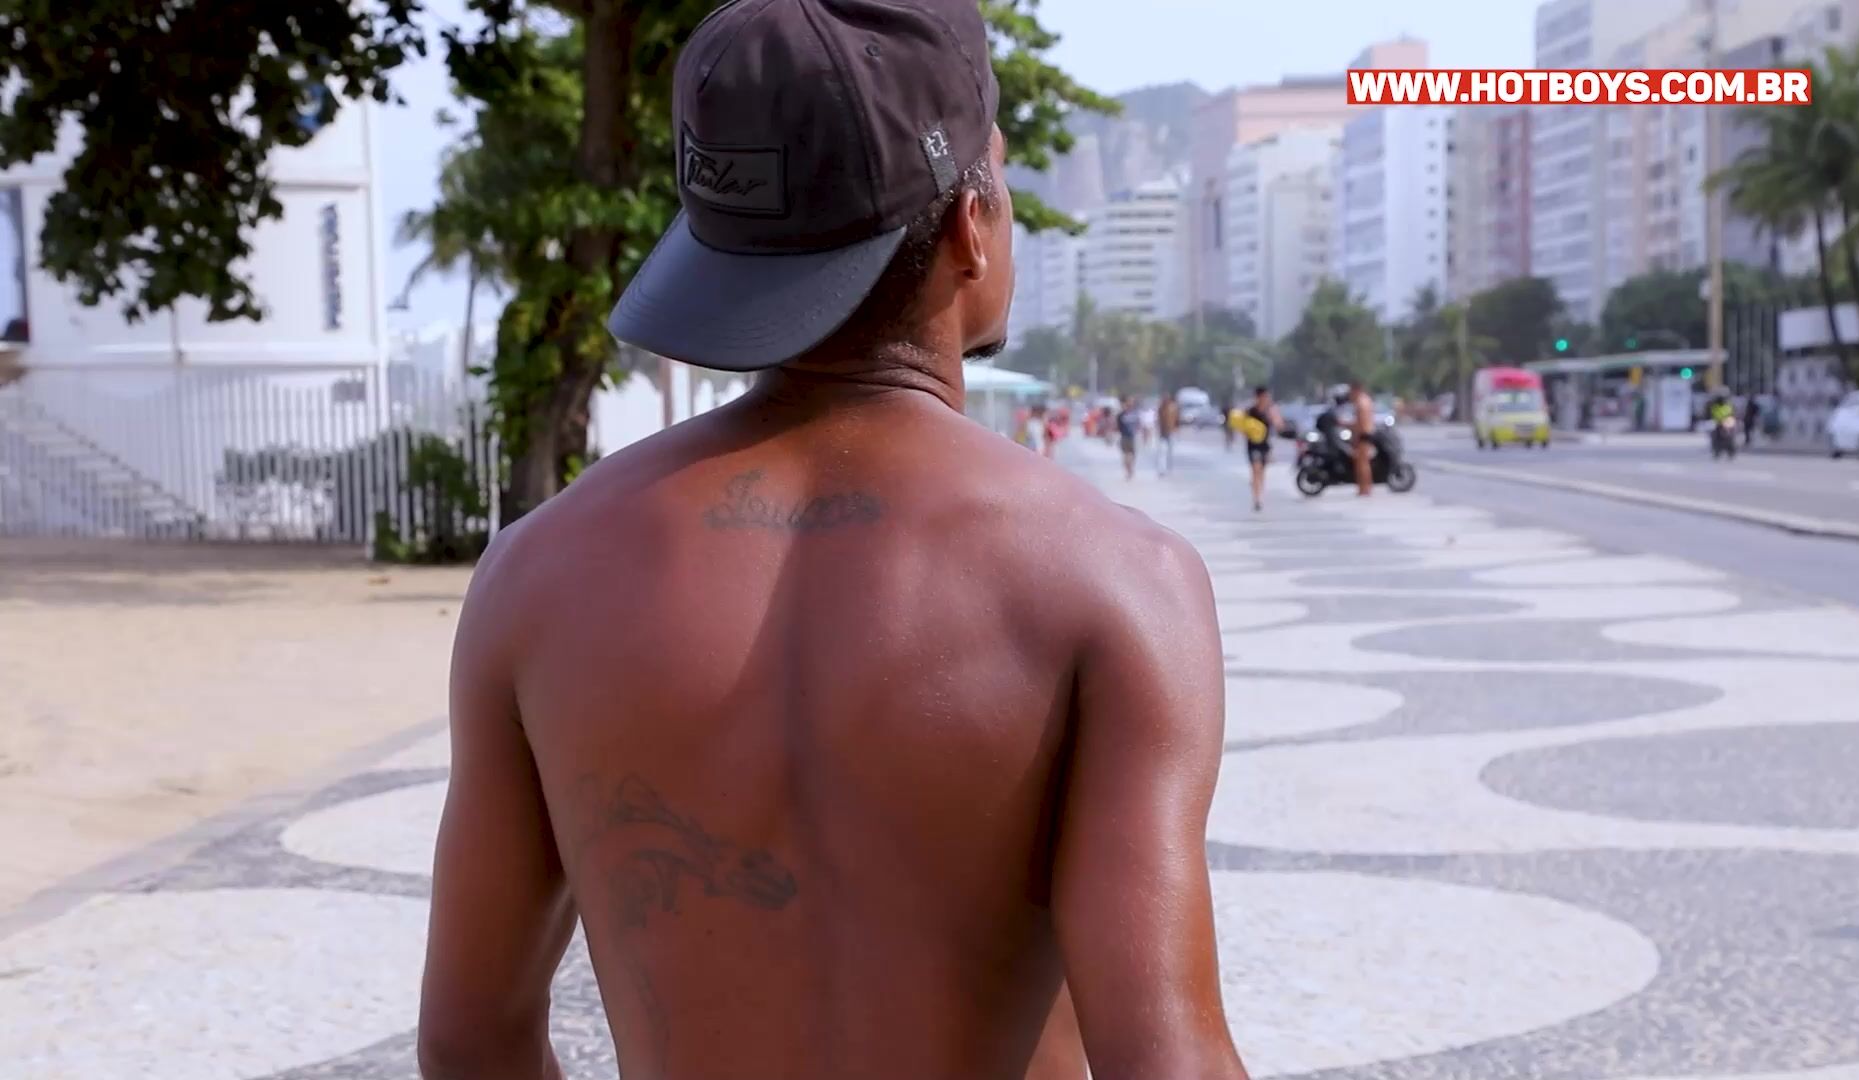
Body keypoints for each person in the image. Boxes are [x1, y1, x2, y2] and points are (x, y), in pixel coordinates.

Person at [417, 3, 1246, 1079]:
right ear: (972, 223)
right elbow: (1170, 1063)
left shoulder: (536, 575)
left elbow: (471, 1043)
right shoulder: (1116, 581)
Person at [1245, 386, 1276, 512]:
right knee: (1256, 469)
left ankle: (1259, 494)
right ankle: (1257, 499)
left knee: (1261, 472)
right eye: (1263, 396)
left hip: (1265, 445)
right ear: (1257, 397)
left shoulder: (1269, 410)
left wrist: (1273, 413)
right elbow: (1244, 428)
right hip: (1253, 445)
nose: (1265, 399)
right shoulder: (1251, 411)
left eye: (1267, 396)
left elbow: (1278, 425)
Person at [1351, 379, 1376, 497]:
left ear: (1356, 390)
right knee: (1364, 462)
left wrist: (1355, 437)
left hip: (1363, 434)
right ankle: (1365, 487)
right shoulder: (1367, 400)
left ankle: (1364, 488)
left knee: (1362, 463)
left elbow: (1360, 422)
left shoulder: (1360, 402)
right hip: (1368, 432)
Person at [1115, 395, 1141, 480]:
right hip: (1126, 437)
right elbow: (1118, 427)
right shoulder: (1122, 415)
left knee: (1130, 455)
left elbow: (1138, 425)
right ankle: (1129, 470)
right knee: (1127, 455)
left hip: (1131, 437)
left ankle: (1129, 470)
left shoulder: (1132, 414)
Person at [1156, 394, 1181, 476]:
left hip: (1171, 432)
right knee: (1162, 451)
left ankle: (1169, 467)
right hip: (1163, 433)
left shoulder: (1174, 408)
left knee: (1170, 451)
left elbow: (1177, 420)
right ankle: (1162, 469)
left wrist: (1176, 429)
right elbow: (1159, 420)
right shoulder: (1160, 408)